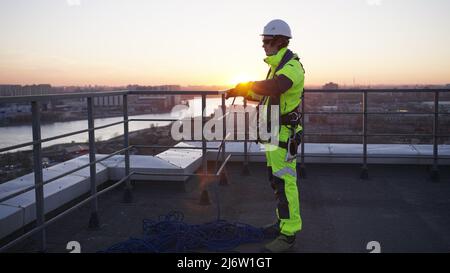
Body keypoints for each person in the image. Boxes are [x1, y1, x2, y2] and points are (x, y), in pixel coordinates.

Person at [225, 19, 305, 252]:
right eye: (263, 41)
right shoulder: (277, 66)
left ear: (280, 41)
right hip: (273, 135)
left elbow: (274, 87)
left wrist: (247, 84)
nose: (263, 45)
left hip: (283, 136)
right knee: (276, 182)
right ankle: (282, 223)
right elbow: (267, 96)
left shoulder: (292, 67)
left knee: (285, 182)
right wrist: (240, 91)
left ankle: (289, 234)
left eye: (267, 41)